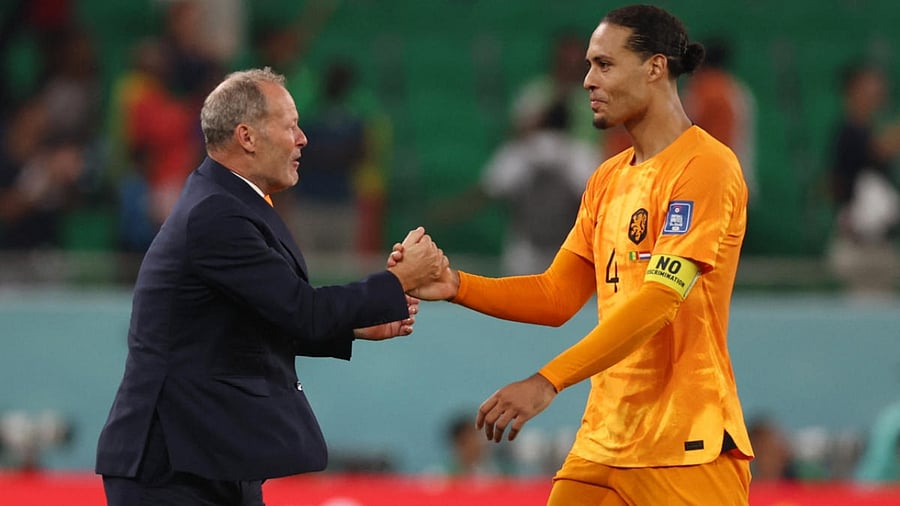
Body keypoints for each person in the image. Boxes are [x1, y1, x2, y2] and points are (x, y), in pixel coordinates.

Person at [394, 5, 753, 504]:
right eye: (588, 65)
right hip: (602, 444)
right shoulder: (607, 180)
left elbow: (660, 300)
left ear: (655, 67)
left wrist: (547, 381)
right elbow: (556, 294)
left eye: (604, 64)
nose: (588, 80)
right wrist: (456, 285)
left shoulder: (706, 166)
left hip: (687, 446)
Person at [95, 67, 447, 506]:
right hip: (171, 463)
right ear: (247, 136)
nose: (303, 139)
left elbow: (259, 319)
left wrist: (355, 326)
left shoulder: (227, 202)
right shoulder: (217, 214)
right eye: (290, 126)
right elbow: (301, 310)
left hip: (207, 454)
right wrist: (398, 281)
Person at [826, 63, 900, 296]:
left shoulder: (868, 128)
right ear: (853, 89)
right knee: (861, 302)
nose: (876, 90)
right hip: (857, 242)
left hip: (879, 239)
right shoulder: (849, 131)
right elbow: (879, 149)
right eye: (868, 84)